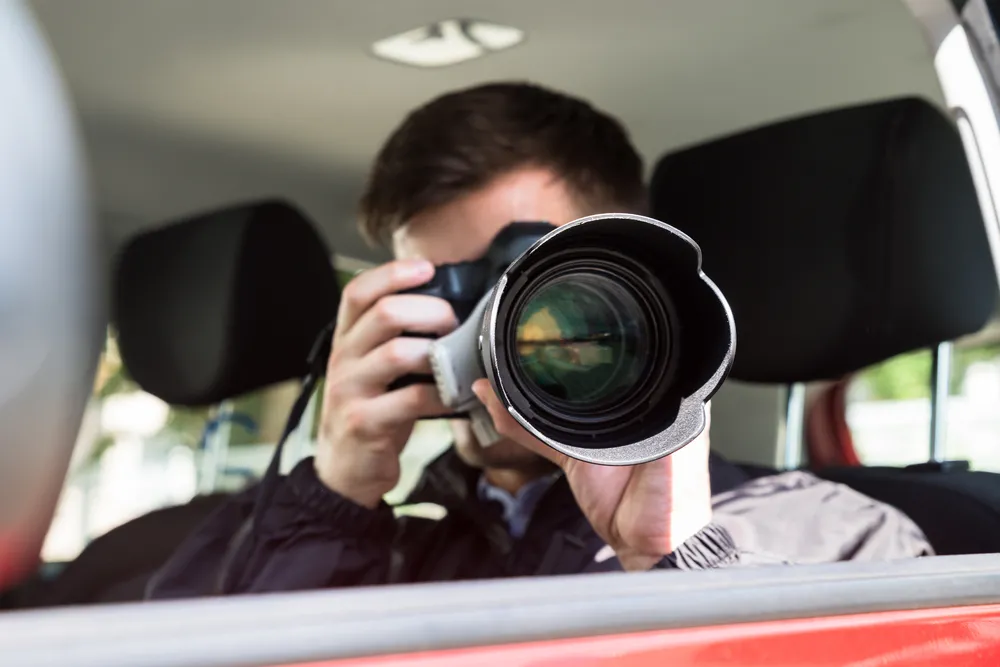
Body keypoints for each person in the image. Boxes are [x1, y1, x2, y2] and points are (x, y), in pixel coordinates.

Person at [148, 82, 931, 598]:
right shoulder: (351, 544)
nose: (502, 326)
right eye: (444, 291)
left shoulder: (833, 539)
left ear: (633, 284)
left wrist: (679, 560)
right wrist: (332, 499)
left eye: (534, 279)